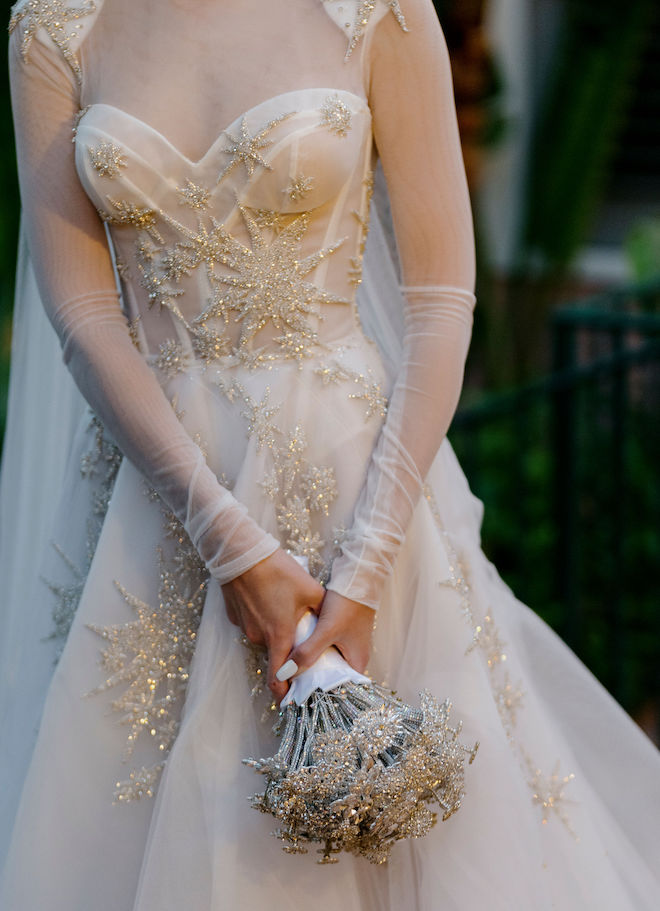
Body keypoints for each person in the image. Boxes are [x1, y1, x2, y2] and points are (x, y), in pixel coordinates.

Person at [0, 0, 659, 908]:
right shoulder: (54, 26)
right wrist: (224, 536)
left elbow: (439, 300)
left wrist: (368, 563)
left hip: (360, 501)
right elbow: (80, 315)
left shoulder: (380, 10)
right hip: (155, 506)